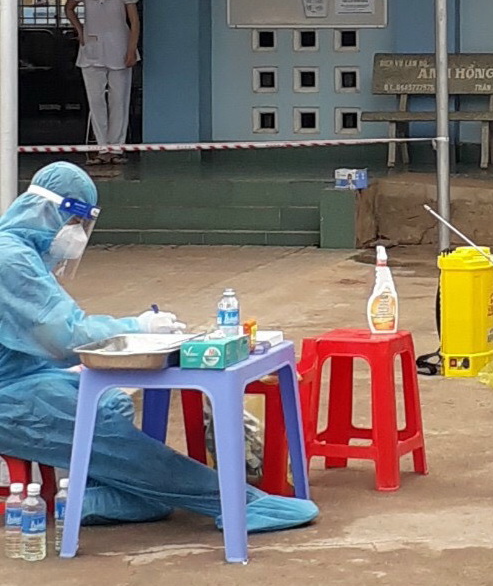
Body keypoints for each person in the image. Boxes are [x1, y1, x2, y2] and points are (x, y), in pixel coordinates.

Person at [0, 162, 319, 531]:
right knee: (111, 437)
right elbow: (63, 335)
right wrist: (136, 328)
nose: (76, 234)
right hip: (11, 395)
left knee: (110, 401)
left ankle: (102, 499)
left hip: (25, 377)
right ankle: (236, 504)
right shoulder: (11, 260)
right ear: (49, 210)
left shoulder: (25, 253)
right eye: (74, 222)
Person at [65, 0, 140, 166]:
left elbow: (134, 22)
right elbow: (69, 9)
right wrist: (80, 31)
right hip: (91, 51)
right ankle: (101, 148)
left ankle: (116, 148)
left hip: (120, 49)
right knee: (95, 101)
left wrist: (131, 50)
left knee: (119, 100)